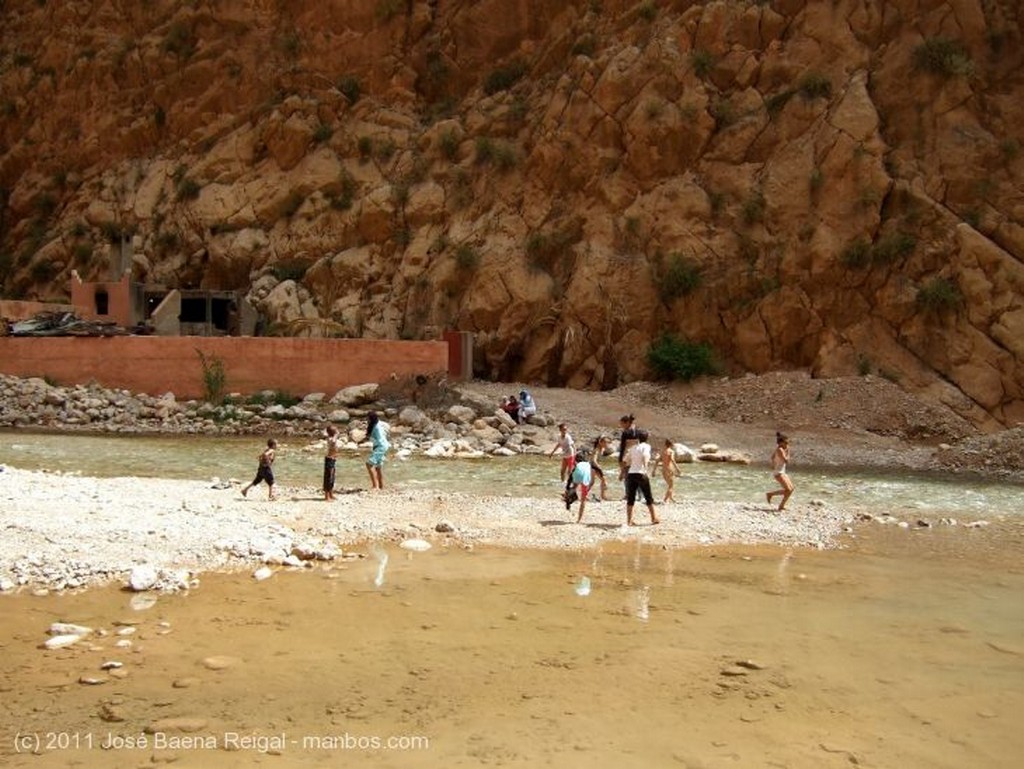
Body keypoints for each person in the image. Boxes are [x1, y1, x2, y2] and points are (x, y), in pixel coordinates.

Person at [625, 429, 659, 526]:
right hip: (641, 473)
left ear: (638, 438)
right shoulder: (646, 446)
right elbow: (645, 456)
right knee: (648, 496)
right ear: (647, 438)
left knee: (630, 498)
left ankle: (629, 521)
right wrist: (646, 468)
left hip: (631, 474)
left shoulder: (633, 448)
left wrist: (624, 470)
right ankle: (653, 518)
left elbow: (626, 460)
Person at [766, 432, 794, 511]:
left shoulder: (778, 449)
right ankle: (771, 495)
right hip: (779, 472)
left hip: (781, 471)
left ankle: (781, 505)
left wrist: (774, 464)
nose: (787, 444)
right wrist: (788, 451)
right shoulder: (780, 450)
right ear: (781, 443)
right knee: (788, 489)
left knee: (791, 489)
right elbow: (786, 460)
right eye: (786, 442)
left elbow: (772, 457)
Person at [365, 411, 390, 490]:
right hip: (383, 445)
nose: (367, 420)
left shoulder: (376, 427)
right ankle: (381, 486)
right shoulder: (378, 424)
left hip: (380, 446)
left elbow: (375, 438)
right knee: (378, 467)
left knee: (369, 464)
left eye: (368, 419)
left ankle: (375, 486)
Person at [566, 450, 593, 523]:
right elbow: (591, 478)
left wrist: (568, 486)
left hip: (576, 475)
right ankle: (579, 519)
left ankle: (570, 496)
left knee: (574, 486)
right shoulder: (588, 463)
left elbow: (573, 472)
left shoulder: (577, 464)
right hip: (585, 478)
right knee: (583, 500)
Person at [652, 438, 681, 503]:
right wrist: (677, 469)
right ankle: (665, 499)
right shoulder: (671, 451)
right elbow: (673, 461)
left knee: (669, 484)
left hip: (663, 470)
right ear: (671, 444)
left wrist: (654, 470)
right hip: (670, 469)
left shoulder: (662, 451)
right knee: (671, 485)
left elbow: (657, 461)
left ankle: (671, 498)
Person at [617, 414, 638, 481]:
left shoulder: (625, 433)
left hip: (627, 457)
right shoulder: (637, 431)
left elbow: (623, 447)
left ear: (627, 423)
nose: (621, 426)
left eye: (622, 424)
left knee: (627, 478)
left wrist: (620, 460)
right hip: (636, 456)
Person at [590, 435, 611, 501]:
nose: (606, 444)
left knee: (592, 482)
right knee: (603, 479)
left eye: (607, 442)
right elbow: (594, 460)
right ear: (600, 442)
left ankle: (584, 494)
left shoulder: (602, 449)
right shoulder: (597, 450)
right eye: (605, 442)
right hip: (594, 467)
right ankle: (603, 496)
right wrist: (598, 466)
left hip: (594, 467)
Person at [323, 425, 340, 501]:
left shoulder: (331, 438)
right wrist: (336, 435)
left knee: (332, 477)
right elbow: (333, 442)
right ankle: (327, 496)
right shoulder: (331, 439)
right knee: (328, 478)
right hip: (329, 460)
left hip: (332, 459)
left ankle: (331, 494)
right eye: (336, 431)